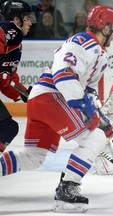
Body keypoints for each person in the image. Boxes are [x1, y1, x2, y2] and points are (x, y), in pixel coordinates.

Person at [0, 4, 113, 213]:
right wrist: (83, 106)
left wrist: (97, 114)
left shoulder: (99, 54)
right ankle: (67, 190)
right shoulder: (82, 42)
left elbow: (89, 90)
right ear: (106, 28)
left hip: (45, 98)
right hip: (53, 96)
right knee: (95, 137)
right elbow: (63, 74)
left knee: (33, 156)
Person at [0, 0, 35, 153]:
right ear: (16, 20)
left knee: (9, 127)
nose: (30, 23)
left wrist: (24, 94)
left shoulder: (16, 44)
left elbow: (7, 81)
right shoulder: (4, 31)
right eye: (27, 18)